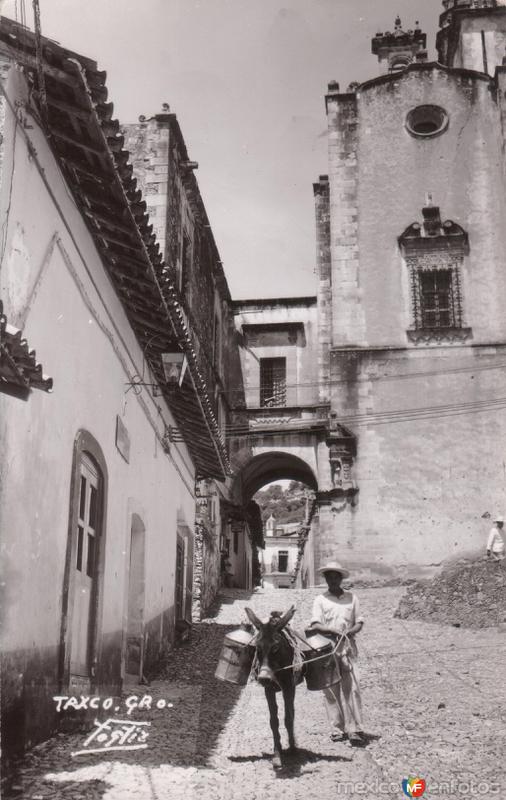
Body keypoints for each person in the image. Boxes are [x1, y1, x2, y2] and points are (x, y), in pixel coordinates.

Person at [308, 561, 365, 746]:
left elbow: (359, 622)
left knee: (353, 688)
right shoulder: (320, 600)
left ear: (341, 578)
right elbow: (315, 624)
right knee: (331, 689)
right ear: (326, 579)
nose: (332, 580)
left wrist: (351, 631)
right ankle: (337, 728)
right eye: (329, 577)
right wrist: (332, 631)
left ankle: (354, 728)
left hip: (348, 648)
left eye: (335, 577)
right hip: (327, 648)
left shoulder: (352, 598)